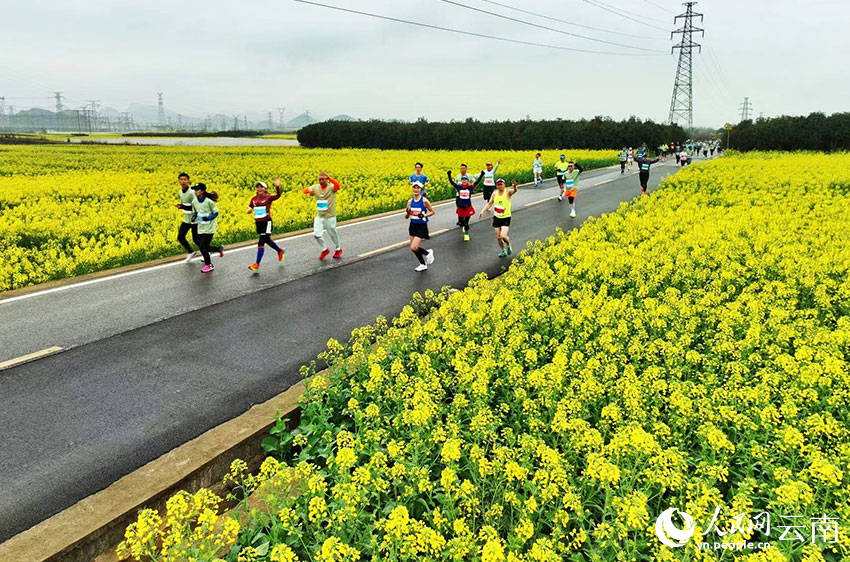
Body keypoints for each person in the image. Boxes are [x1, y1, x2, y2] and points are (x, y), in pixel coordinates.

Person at [247, 179, 285, 272]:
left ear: (265, 189)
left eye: (261, 187)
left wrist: (277, 187)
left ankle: (256, 265)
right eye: (258, 187)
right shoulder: (253, 199)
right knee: (267, 240)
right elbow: (250, 206)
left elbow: (278, 195)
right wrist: (249, 210)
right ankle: (280, 251)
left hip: (267, 222)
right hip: (258, 223)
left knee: (261, 242)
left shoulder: (268, 197)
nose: (259, 189)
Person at [304, 172, 343, 260]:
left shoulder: (331, 187)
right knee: (316, 235)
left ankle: (338, 249)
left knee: (332, 233)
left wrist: (330, 178)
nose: (321, 181)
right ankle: (325, 249)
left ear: (327, 180)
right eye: (320, 179)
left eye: (323, 179)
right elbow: (305, 190)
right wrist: (309, 191)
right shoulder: (316, 187)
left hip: (330, 216)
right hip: (320, 216)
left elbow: (338, 186)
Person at [479, 178, 517, 258]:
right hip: (497, 217)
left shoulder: (507, 192)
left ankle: (508, 245)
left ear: (504, 185)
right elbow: (489, 203)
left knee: (503, 236)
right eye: (498, 184)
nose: (500, 186)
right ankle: (503, 250)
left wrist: (514, 186)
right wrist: (483, 211)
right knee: (498, 237)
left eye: (501, 184)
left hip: (506, 217)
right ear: (496, 186)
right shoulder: (494, 193)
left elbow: (514, 191)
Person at [190, 183, 223, 273]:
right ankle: (218, 249)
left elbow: (216, 213)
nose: (196, 192)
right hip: (201, 227)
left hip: (209, 228)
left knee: (202, 247)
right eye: (195, 190)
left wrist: (208, 218)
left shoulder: (209, 202)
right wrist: (193, 217)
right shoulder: (194, 202)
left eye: (198, 190)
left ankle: (209, 265)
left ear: (202, 191)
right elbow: (195, 212)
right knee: (204, 246)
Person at [405, 181, 435, 272]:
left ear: (421, 190)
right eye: (414, 188)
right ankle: (423, 264)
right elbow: (406, 216)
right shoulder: (410, 201)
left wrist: (424, 215)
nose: (416, 189)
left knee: (413, 247)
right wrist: (408, 212)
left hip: (421, 226)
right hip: (412, 225)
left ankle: (427, 253)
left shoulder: (424, 201)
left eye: (418, 188)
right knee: (414, 248)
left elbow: (432, 212)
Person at [448, 169, 484, 241]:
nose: (464, 181)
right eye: (463, 180)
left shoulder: (470, 187)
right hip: (461, 207)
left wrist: (481, 175)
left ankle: (466, 234)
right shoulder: (459, 187)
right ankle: (464, 226)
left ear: (467, 181)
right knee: (462, 222)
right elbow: (452, 182)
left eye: (465, 180)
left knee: (466, 223)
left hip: (468, 207)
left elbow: (477, 182)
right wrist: (449, 175)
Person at [175, 172, 201, 263]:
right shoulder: (180, 192)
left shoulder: (191, 193)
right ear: (178, 181)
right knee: (180, 237)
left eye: (185, 179)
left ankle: (207, 251)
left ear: (188, 181)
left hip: (194, 219)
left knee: (196, 239)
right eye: (181, 179)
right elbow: (186, 204)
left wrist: (182, 207)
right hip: (186, 219)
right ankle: (191, 252)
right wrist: (181, 206)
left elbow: (195, 206)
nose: (183, 181)